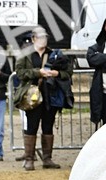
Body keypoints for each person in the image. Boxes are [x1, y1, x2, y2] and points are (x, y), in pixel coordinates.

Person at [14, 26, 73, 170]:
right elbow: (20, 73)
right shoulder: (25, 54)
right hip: (32, 96)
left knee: (48, 126)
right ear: (33, 39)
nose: (43, 40)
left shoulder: (54, 54)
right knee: (31, 127)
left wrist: (56, 74)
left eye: (45, 37)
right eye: (40, 37)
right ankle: (29, 159)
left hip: (50, 95)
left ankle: (47, 159)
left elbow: (68, 72)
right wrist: (38, 73)